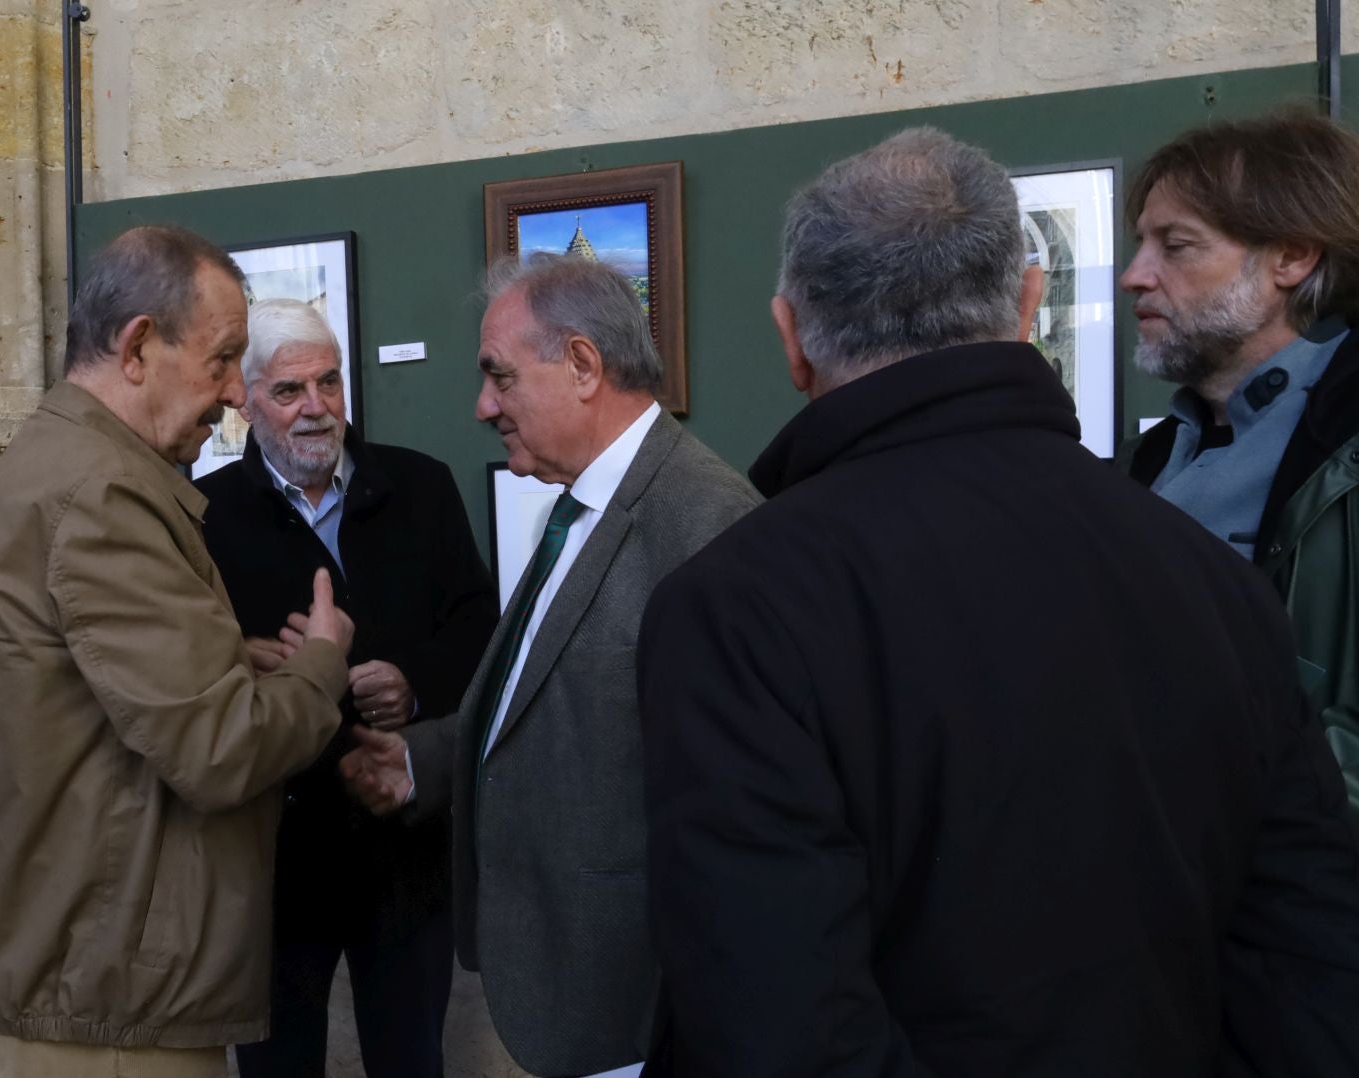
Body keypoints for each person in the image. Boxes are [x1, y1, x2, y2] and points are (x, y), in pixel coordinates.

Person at [638, 127, 1359, 1076]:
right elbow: (1309, 958)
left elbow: (779, 1026)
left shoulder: (733, 607)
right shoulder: (1206, 572)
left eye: (1175, 245)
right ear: (1028, 303)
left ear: (790, 338)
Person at [0, 225, 354, 1078]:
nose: (236, 392)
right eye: (222, 359)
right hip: (110, 1008)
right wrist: (321, 661)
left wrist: (223, 660)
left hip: (92, 976)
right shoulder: (100, 492)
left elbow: (77, 684)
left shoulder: (71, 461)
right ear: (137, 346)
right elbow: (221, 749)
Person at [340, 254, 760, 1077]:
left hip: (643, 1011)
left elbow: (735, 805)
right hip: (581, 994)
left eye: (498, 376)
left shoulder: (706, 522)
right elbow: (547, 701)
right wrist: (423, 760)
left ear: (581, 365)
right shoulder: (578, 506)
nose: (482, 405)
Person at [196, 298, 496, 1078]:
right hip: (278, 847)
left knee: (410, 1057)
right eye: (289, 391)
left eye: (329, 383)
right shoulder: (207, 517)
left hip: (402, 840)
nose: (316, 409)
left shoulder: (422, 487)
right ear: (247, 401)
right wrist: (247, 655)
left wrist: (414, 684)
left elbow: (478, 624)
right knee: (278, 1062)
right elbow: (188, 666)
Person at [1116, 108, 1359, 815]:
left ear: (1290, 258)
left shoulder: (1347, 456)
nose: (1135, 276)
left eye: (1177, 246)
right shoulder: (1145, 463)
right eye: (1140, 245)